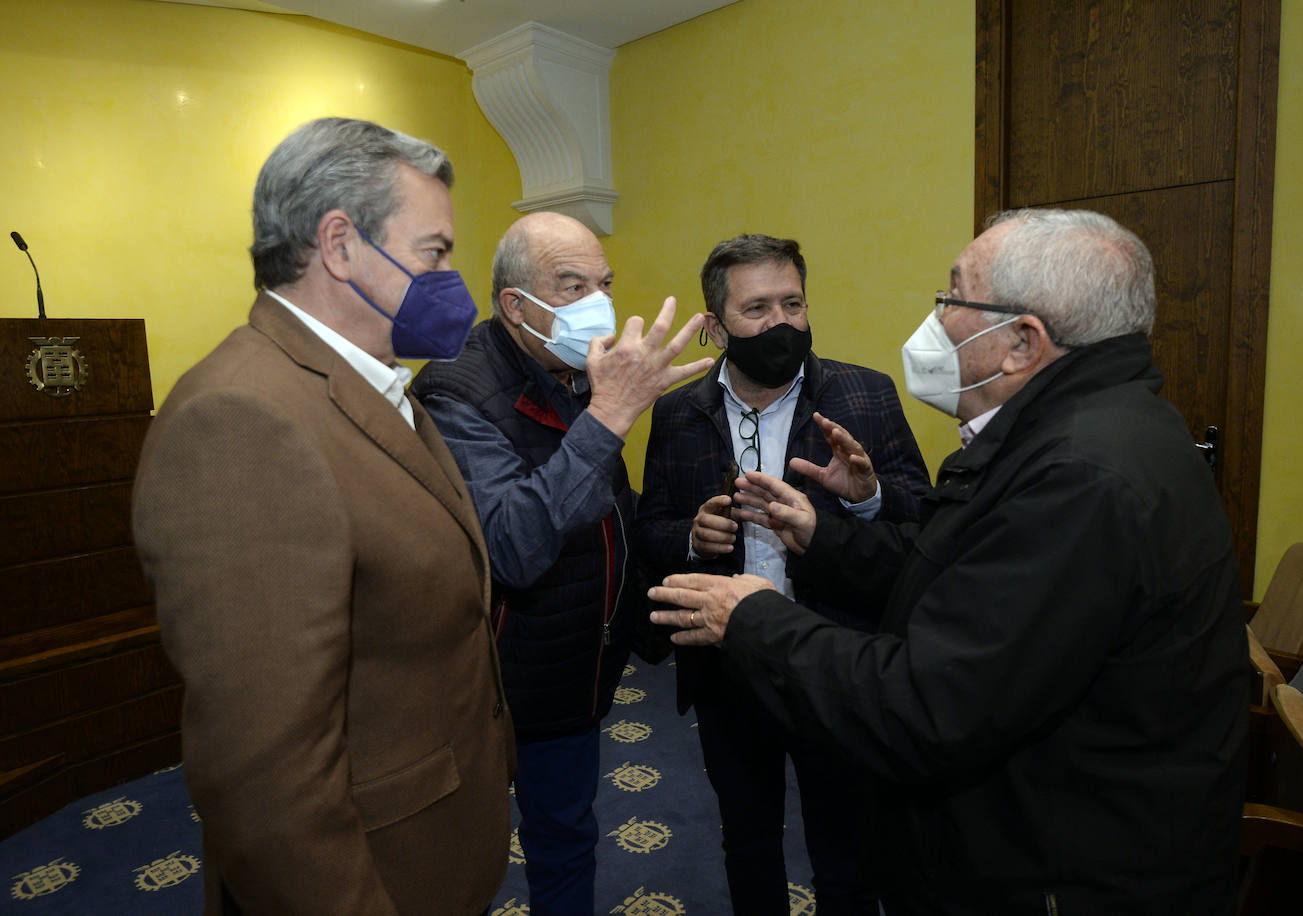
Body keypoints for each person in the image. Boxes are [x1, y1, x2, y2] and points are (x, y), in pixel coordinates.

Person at [649, 210, 1249, 915]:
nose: (935, 317)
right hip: (1031, 824)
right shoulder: (1082, 432)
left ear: (1023, 342)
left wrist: (749, 614)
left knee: (840, 849)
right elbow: (944, 561)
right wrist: (824, 534)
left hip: (1058, 862)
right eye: (757, 308)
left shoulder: (1080, 475)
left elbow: (929, 706)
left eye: (953, 297)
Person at [132, 117, 515, 915]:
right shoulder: (241, 419)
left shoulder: (365, 382)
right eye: (434, 252)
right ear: (340, 247)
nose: (450, 280)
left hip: (433, 846)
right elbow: (264, 779)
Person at [410, 211, 712, 915]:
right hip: (491, 684)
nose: (598, 304)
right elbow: (513, 544)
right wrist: (611, 416)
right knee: (465, 861)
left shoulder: (578, 369)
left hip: (576, 670)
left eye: (604, 283)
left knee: (567, 840)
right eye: (572, 285)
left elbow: (611, 509)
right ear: (516, 305)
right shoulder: (453, 390)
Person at [634, 234, 930, 914]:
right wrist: (689, 535)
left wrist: (867, 497)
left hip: (835, 657)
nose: (781, 324)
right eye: (757, 307)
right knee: (748, 840)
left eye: (792, 303)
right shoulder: (679, 413)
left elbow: (922, 527)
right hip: (727, 663)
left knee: (846, 848)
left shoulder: (864, 394)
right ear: (715, 328)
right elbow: (651, 526)